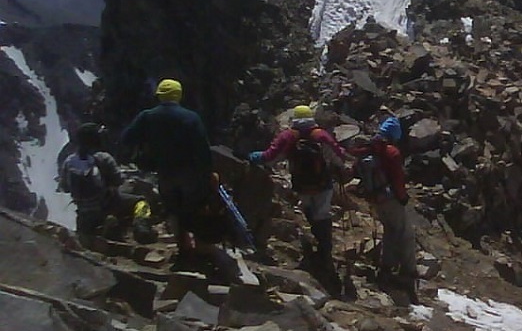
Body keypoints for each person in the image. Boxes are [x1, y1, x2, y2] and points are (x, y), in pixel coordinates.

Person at [121, 78, 237, 281]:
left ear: (159, 95)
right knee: (194, 208)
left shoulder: (147, 117)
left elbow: (126, 139)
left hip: (165, 172)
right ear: (179, 95)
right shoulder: (190, 118)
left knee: (174, 210)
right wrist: (209, 173)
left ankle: (183, 249)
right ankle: (201, 247)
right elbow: (202, 150)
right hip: (190, 173)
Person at [248, 104, 350, 268]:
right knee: (322, 213)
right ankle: (325, 250)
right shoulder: (321, 135)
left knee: (309, 210)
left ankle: (315, 240)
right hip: (323, 184)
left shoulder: (288, 136)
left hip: (301, 185)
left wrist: (253, 156)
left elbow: (270, 157)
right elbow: (338, 156)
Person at [349, 115, 417, 302]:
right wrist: (403, 198)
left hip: (374, 198)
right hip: (390, 198)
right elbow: (397, 179)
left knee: (389, 231)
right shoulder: (392, 152)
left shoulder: (367, 149)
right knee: (405, 233)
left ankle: (386, 267)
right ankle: (409, 272)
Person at [58, 122, 121, 242]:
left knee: (84, 239)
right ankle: (138, 227)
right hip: (105, 207)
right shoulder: (104, 158)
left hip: (82, 213)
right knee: (140, 202)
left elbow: (64, 187)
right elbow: (118, 179)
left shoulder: (69, 161)